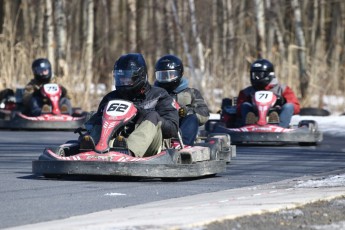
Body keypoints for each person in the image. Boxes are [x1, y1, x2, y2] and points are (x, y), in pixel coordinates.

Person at [80, 53, 179, 157]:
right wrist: (89, 124)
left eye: (128, 77)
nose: (123, 81)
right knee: (100, 116)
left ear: (140, 76)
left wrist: (142, 114)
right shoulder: (111, 98)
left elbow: (172, 129)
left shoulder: (159, 95)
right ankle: (91, 147)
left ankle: (129, 150)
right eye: (120, 77)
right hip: (117, 141)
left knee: (153, 116)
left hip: (152, 146)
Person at [154, 54, 210, 146]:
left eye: (170, 75)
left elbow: (204, 113)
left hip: (181, 128)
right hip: (162, 125)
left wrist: (187, 111)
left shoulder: (192, 93)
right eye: (163, 75)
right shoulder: (154, 93)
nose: (167, 79)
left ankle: (182, 145)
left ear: (180, 74)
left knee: (192, 118)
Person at [236, 58, 300, 128]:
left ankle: (279, 126)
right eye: (254, 75)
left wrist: (279, 106)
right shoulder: (247, 92)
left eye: (259, 75)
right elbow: (238, 108)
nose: (256, 78)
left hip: (277, 113)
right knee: (245, 105)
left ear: (269, 75)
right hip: (255, 115)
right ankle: (249, 125)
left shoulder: (283, 89)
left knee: (289, 106)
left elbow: (296, 106)